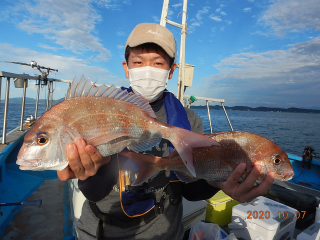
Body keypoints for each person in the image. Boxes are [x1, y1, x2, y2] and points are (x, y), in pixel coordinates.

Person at [57, 23, 275, 240]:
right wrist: (91, 172)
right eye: (138, 62)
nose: (147, 69)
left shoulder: (189, 121)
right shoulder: (100, 112)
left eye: (158, 62)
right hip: (102, 232)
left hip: (165, 232)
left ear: (171, 71)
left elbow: (190, 191)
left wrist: (219, 184)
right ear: (126, 67)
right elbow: (93, 193)